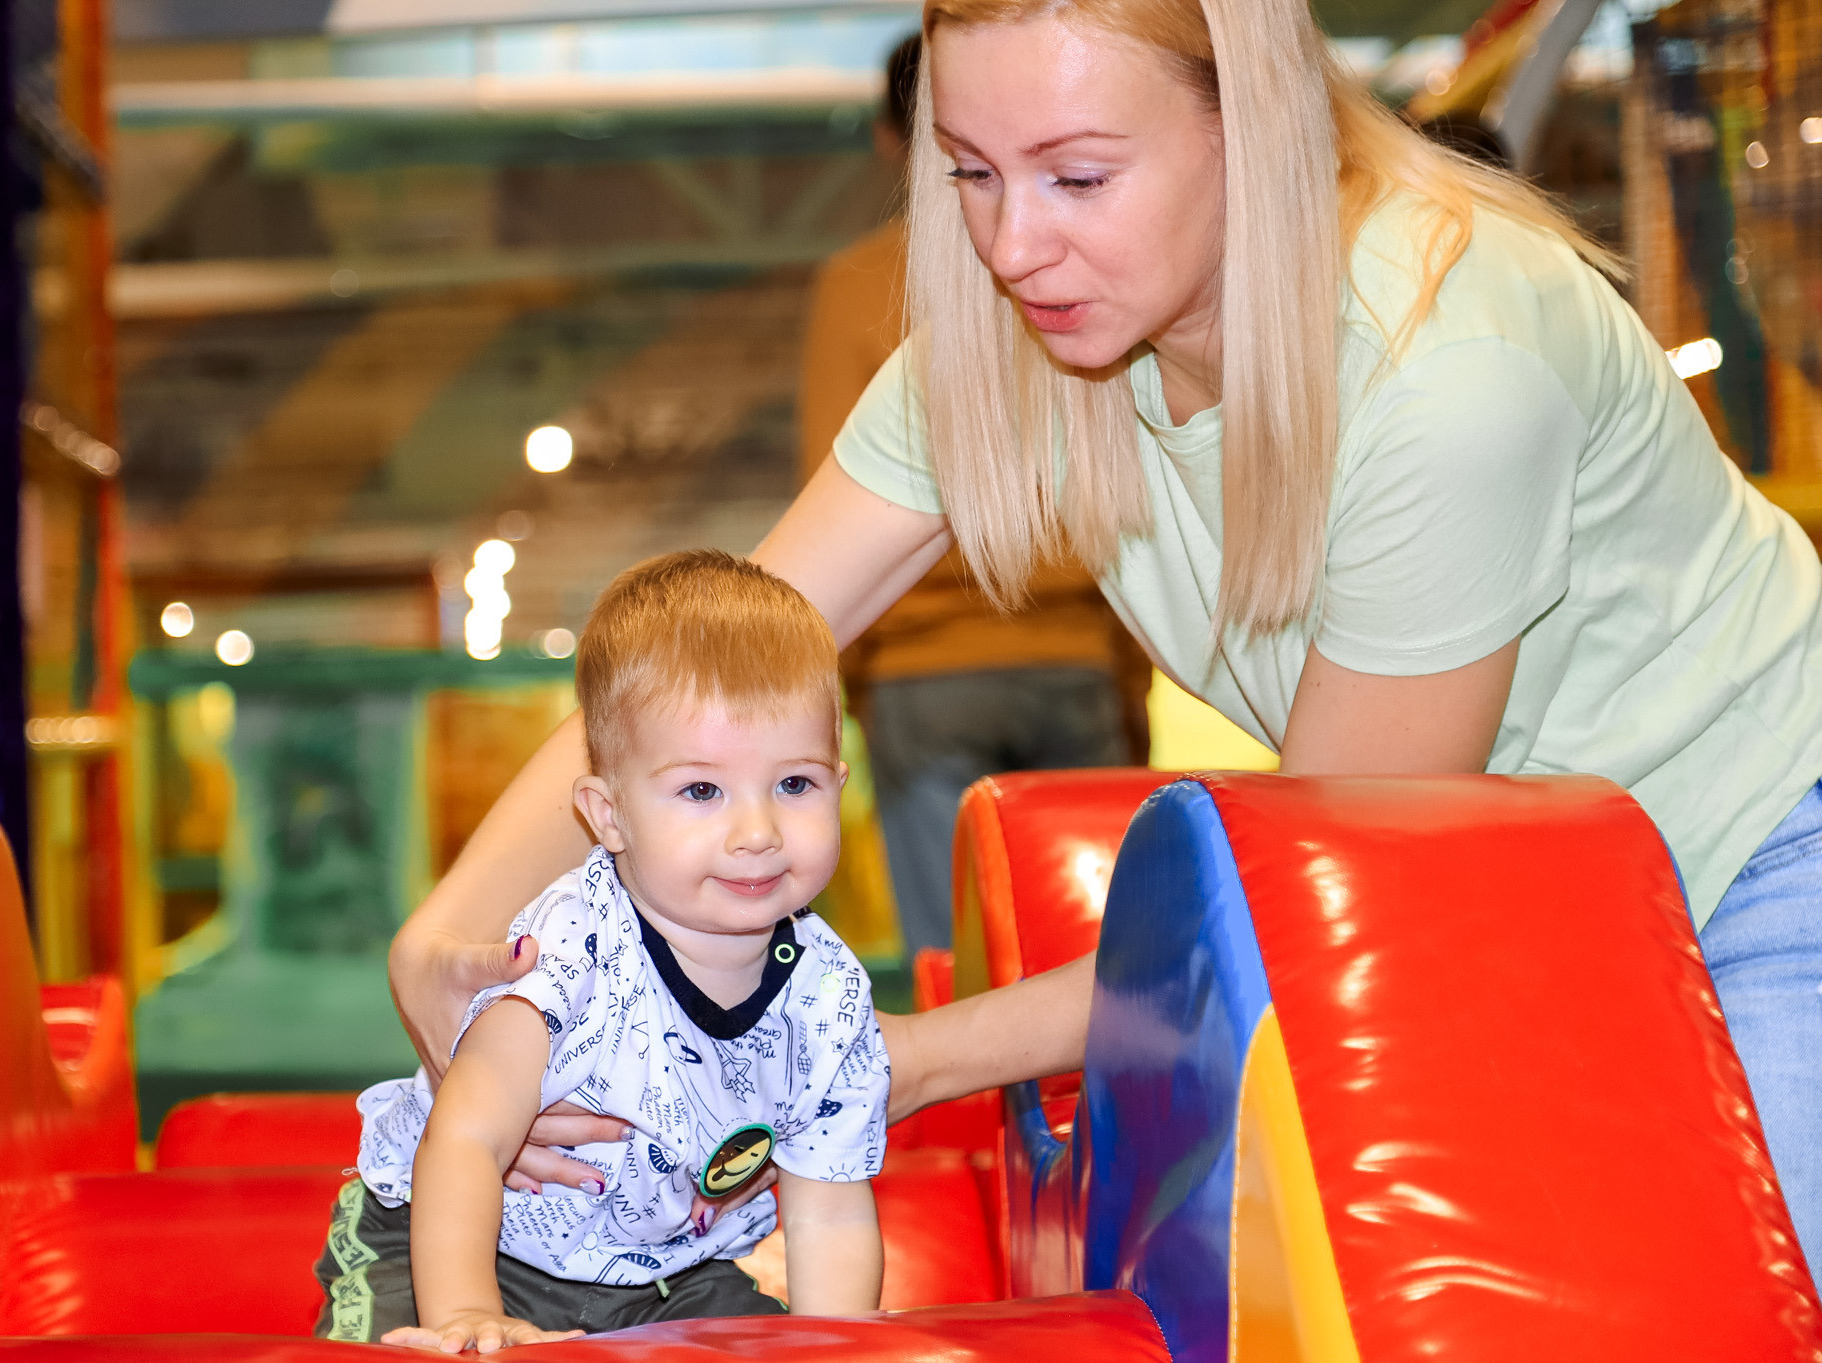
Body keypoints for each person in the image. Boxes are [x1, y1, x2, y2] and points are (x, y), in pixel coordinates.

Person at [387, 0, 1822, 1261]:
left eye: (1078, 175)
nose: (1014, 244)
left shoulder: (1452, 368)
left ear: (1249, 127)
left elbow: (1313, 888)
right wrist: (454, 928)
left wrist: (886, 1058)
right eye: (970, 174)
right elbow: (701, 666)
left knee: (1745, 1288)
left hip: (1761, 838)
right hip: (1526, 885)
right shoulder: (1022, 338)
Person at [316, 551, 888, 1352]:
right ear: (608, 815)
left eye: (794, 785)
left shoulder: (831, 997)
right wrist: (463, 1313)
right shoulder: (571, 952)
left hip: (663, 1274)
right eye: (701, 791)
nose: (757, 832)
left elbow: (827, 1207)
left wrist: (838, 1344)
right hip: (454, 1242)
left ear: (839, 781)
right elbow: (469, 1138)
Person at [800, 32, 1140, 957]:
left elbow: (827, 501)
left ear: (891, 139)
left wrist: (855, 689)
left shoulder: (857, 285)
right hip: (1075, 646)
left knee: (957, 950)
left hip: (924, 665)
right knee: (1111, 950)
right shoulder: (1091, 268)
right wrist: (1125, 672)